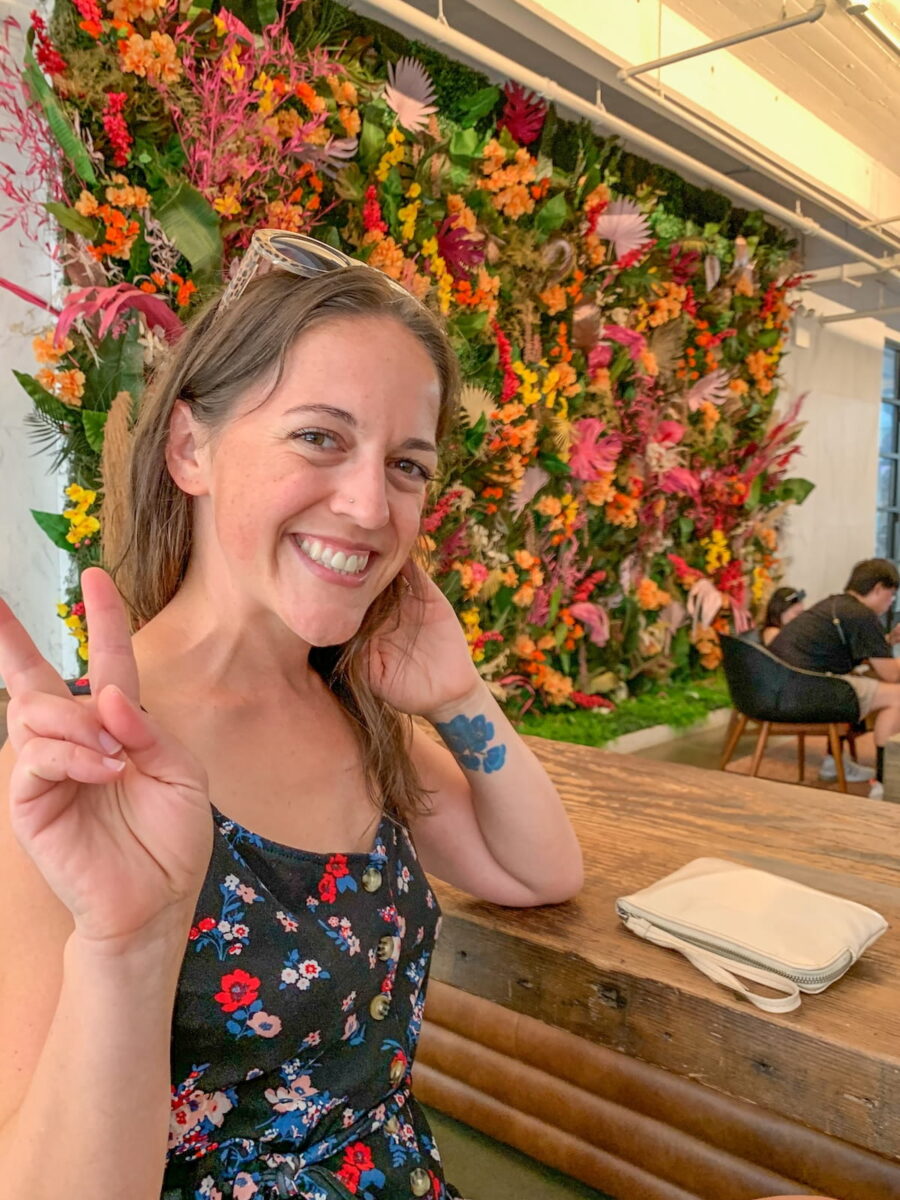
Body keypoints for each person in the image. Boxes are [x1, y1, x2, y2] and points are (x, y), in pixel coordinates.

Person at [0, 233, 584, 1200]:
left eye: (406, 464)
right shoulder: (73, 771)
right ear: (190, 447)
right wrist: (127, 945)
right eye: (320, 437)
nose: (368, 504)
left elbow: (537, 869)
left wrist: (459, 698)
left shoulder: (351, 715)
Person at [769, 558, 900, 797]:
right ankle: (885, 782)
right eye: (891, 595)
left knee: (863, 684)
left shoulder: (836, 605)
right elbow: (890, 674)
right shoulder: (862, 615)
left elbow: (857, 656)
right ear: (879, 588)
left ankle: (833, 762)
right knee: (896, 697)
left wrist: (887, 642)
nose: (891, 603)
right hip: (801, 694)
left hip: (776, 688)